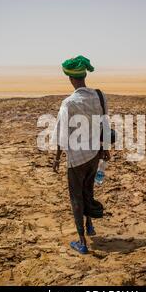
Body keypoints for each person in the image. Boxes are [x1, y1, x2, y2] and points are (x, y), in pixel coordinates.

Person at [52, 55, 111, 254]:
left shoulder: (68, 103)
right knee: (88, 190)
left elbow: (61, 134)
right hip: (95, 154)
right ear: (84, 75)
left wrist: (57, 158)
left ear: (70, 78)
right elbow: (105, 124)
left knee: (76, 197)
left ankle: (82, 242)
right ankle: (89, 225)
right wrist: (105, 149)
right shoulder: (100, 96)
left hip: (77, 158)